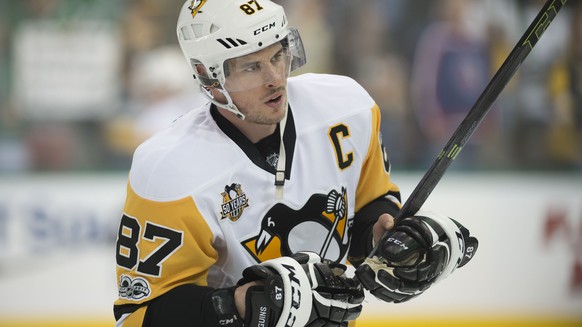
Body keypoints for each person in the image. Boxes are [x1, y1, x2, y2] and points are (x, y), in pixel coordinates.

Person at [113, 1, 479, 326]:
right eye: (252, 67)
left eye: (277, 56)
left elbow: (368, 207)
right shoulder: (169, 170)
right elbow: (141, 315)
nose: (276, 79)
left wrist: (382, 238)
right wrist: (240, 304)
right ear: (210, 77)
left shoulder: (346, 108)